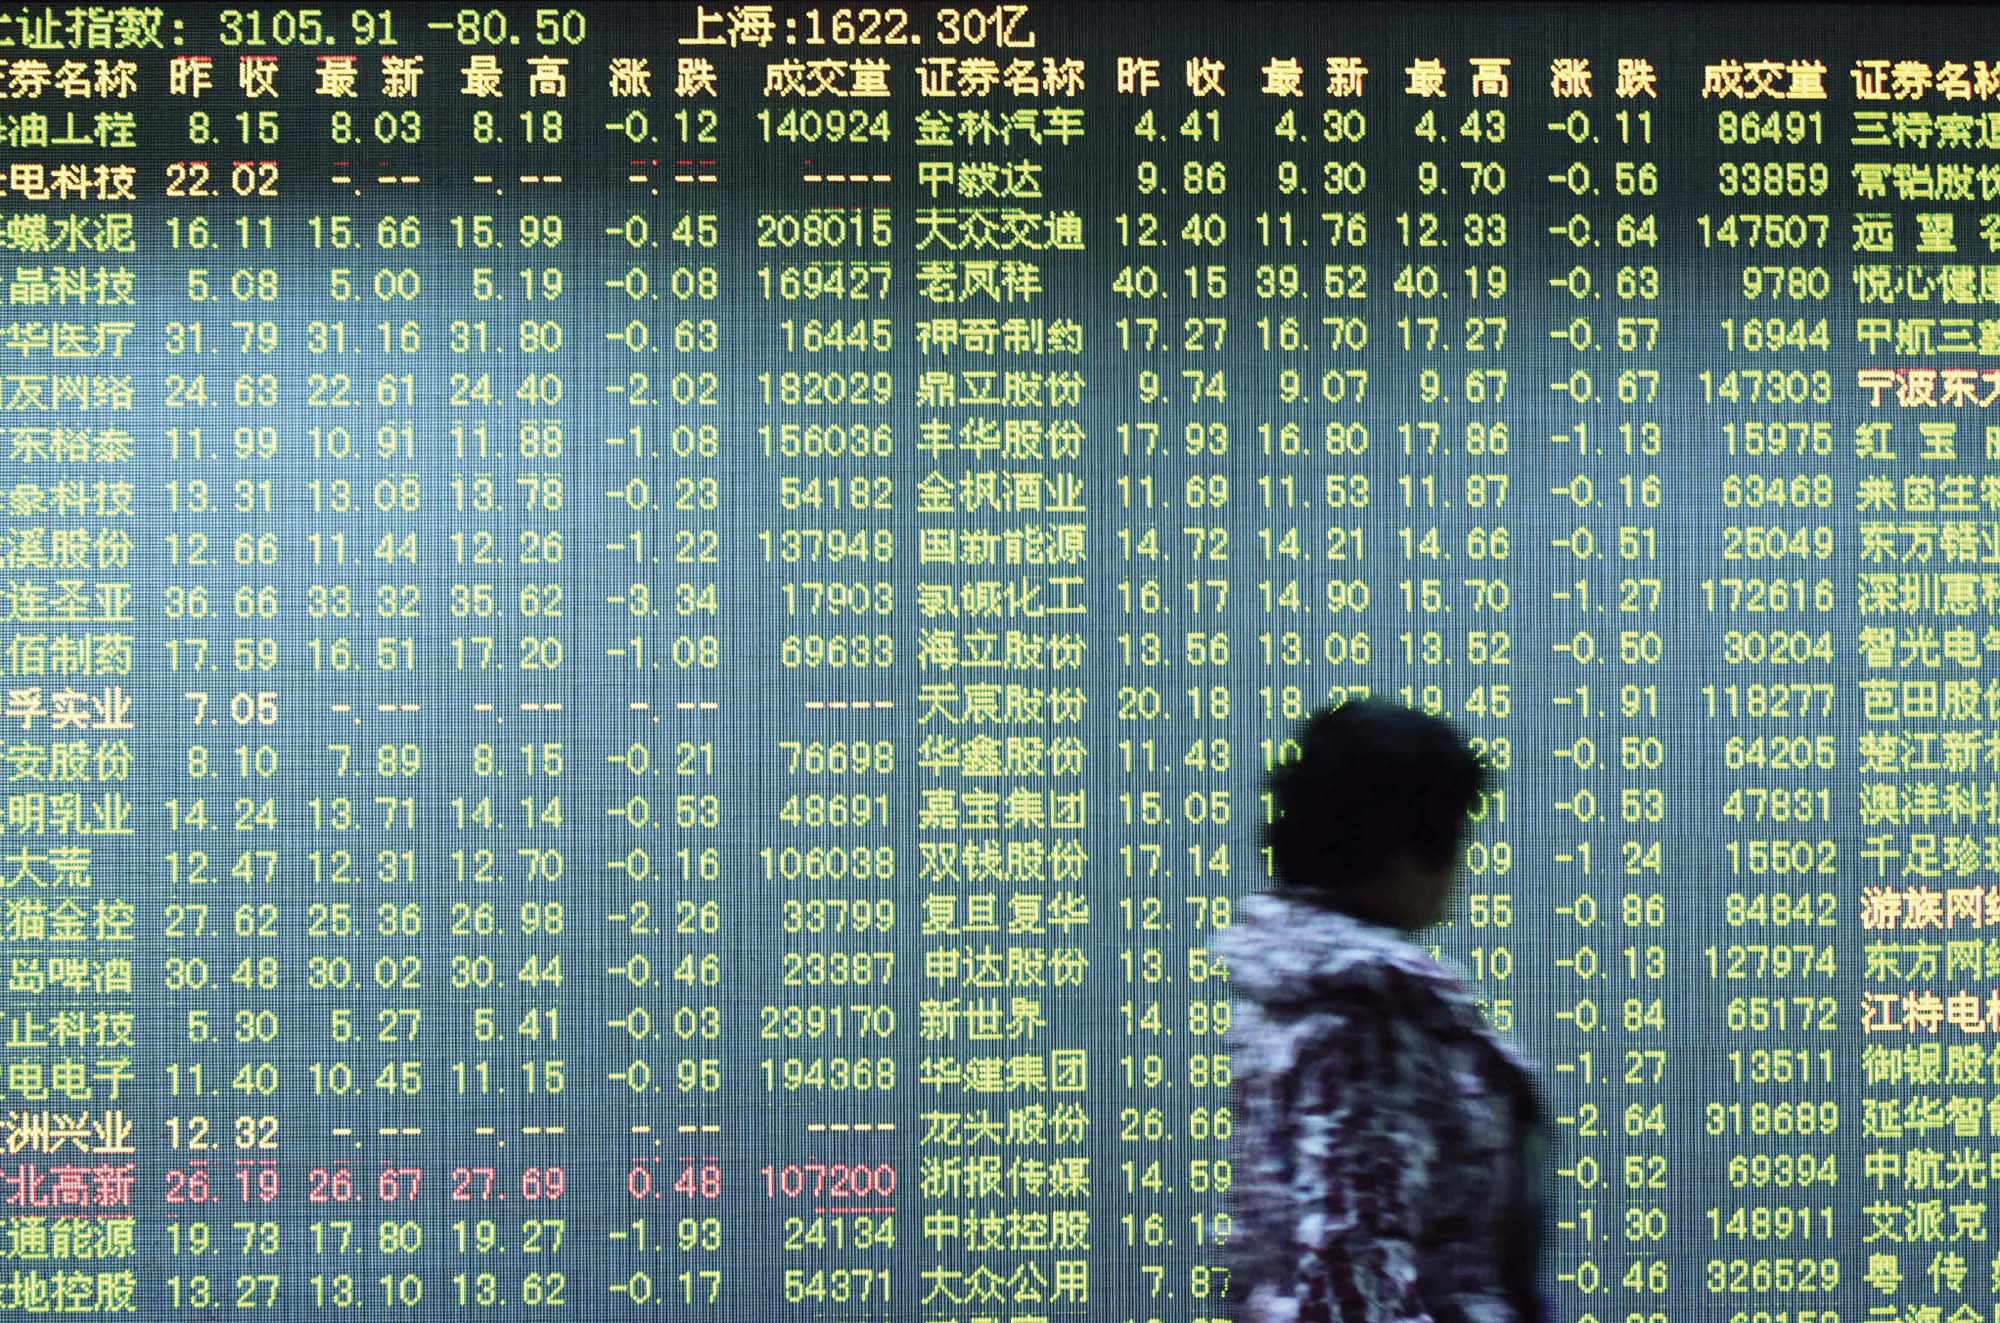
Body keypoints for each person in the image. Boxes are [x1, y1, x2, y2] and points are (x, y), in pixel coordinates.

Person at [1213, 699, 1549, 1323]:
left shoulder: (1289, 994)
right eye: (1454, 834)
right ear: (1405, 843)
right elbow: (1356, 1268)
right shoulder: (1368, 1019)